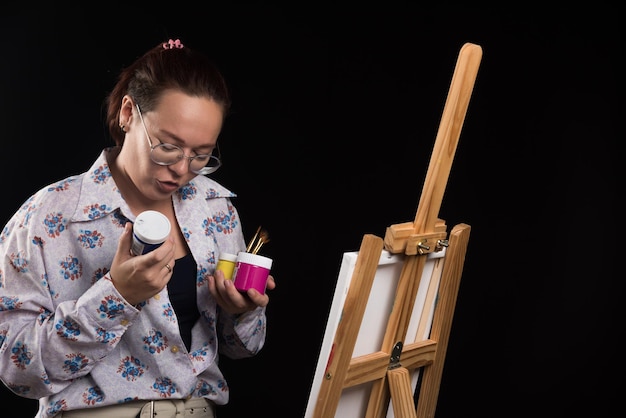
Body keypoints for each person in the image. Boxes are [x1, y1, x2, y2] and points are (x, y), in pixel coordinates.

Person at [0, 38, 275, 418]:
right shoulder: (48, 216)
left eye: (201, 155)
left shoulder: (214, 208)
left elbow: (239, 347)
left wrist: (240, 312)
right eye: (168, 146)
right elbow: (16, 368)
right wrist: (115, 297)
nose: (182, 169)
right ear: (128, 112)